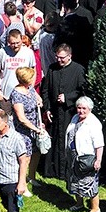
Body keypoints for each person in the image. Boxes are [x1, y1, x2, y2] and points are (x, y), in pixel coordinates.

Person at [41, 44, 85, 180]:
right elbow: (46, 90)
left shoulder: (78, 70)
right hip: (54, 112)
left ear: (69, 56)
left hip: (69, 113)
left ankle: (66, 172)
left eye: (62, 58)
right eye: (57, 57)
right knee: (54, 141)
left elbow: (82, 91)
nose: (59, 60)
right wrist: (47, 108)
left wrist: (67, 97)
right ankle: (52, 170)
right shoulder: (52, 69)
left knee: (68, 141)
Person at [65, 96, 104, 212]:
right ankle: (79, 203)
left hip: (87, 158)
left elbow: (99, 144)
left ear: (90, 109)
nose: (81, 111)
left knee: (89, 182)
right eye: (79, 108)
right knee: (75, 181)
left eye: (84, 108)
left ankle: (95, 208)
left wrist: (98, 160)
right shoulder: (75, 118)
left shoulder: (94, 123)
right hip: (74, 157)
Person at [0, 109, 28, 212]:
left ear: (5, 124)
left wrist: (22, 183)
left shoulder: (16, 138)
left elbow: (23, 161)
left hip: (10, 182)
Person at [10, 67, 44, 195]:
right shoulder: (16, 94)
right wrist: (36, 129)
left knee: (36, 152)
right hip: (23, 131)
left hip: (34, 128)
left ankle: (32, 177)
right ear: (25, 79)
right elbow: (21, 118)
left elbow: (36, 97)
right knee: (25, 158)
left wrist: (39, 101)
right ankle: (22, 184)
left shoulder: (29, 88)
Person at [0, 29, 36, 113]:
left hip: (23, 94)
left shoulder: (28, 53)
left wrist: (31, 89)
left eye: (17, 43)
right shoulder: (2, 52)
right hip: (5, 96)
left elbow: (33, 71)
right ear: (8, 41)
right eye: (12, 43)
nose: (15, 45)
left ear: (22, 39)